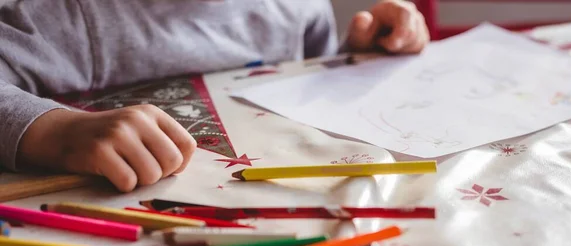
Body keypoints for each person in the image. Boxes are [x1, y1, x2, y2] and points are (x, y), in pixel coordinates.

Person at [0, 0, 430, 192]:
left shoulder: (300, 8)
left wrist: (362, 57)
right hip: (118, 234)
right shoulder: (66, 15)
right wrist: (54, 130)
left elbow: (303, 91)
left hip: (275, 217)